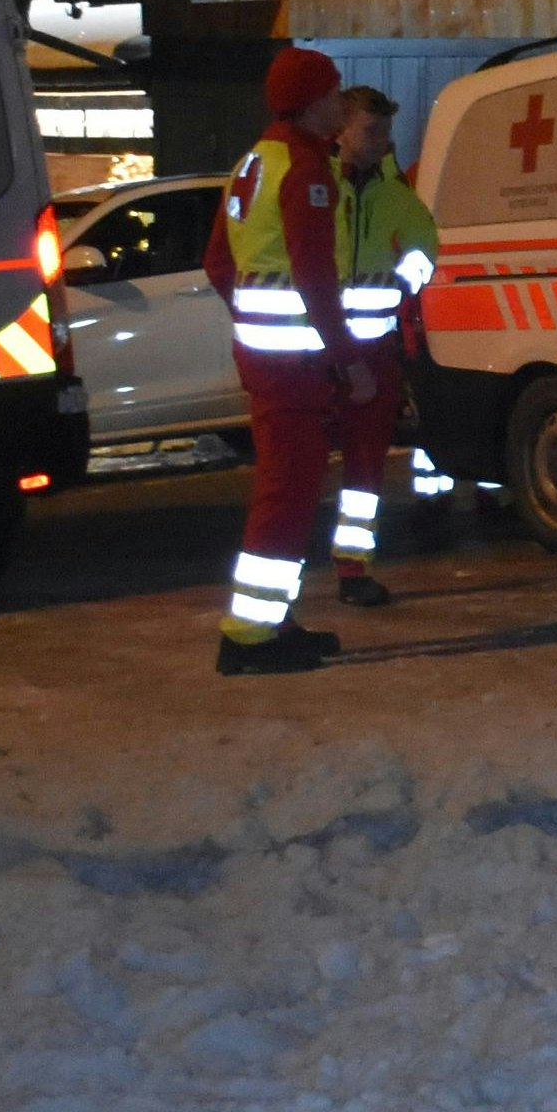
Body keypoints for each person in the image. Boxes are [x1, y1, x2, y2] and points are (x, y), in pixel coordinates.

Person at [196, 44, 385, 674]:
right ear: (311, 100)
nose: (340, 102)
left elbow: (218, 262)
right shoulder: (304, 168)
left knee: (287, 490)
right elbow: (313, 275)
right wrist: (348, 357)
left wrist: (253, 317)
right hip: (296, 368)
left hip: (269, 361)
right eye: (333, 93)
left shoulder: (254, 161)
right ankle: (250, 637)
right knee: (287, 494)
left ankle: (269, 621)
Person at [328, 85, 453, 544]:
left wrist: (405, 283)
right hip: (316, 350)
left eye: (386, 130)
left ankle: (353, 561)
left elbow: (424, 242)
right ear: (340, 130)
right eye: (372, 129)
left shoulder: (395, 189)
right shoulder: (316, 182)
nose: (382, 138)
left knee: (365, 466)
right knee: (301, 466)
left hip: (374, 349)